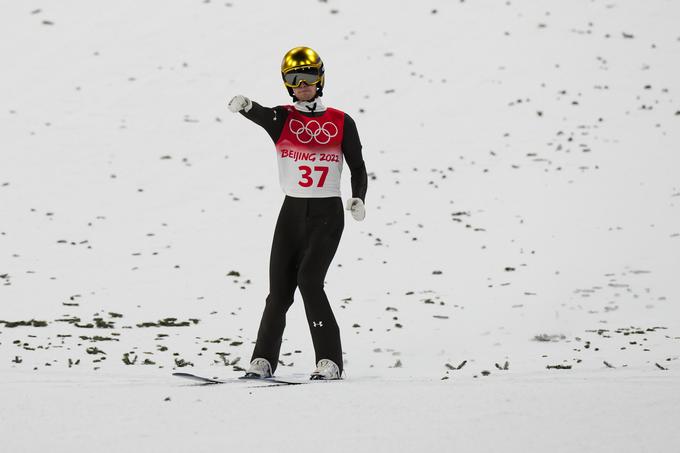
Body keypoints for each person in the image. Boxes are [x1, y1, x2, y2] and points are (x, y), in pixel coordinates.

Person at [226, 46, 368, 380]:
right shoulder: (283, 119)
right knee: (279, 291)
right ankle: (262, 360)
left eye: (309, 77)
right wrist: (246, 106)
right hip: (291, 213)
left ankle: (329, 361)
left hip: (327, 213)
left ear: (320, 79)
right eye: (294, 79)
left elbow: (358, 166)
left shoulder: (341, 121)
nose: (302, 84)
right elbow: (261, 114)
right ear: (287, 84)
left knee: (309, 281)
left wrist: (358, 197)